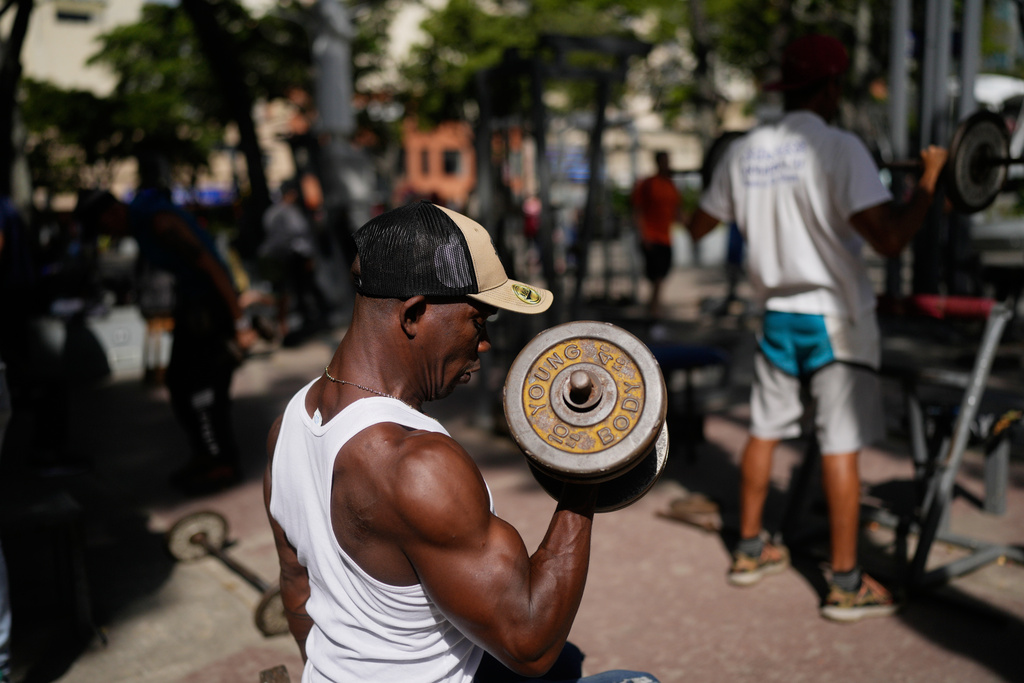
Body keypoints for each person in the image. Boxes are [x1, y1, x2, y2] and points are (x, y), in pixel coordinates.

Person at [264, 201, 659, 683]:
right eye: (478, 320)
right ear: (415, 314)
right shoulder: (416, 465)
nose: (485, 342)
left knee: (572, 659)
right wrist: (588, 466)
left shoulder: (288, 424)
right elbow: (530, 645)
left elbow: (297, 589)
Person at [686, 34, 948, 622]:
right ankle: (846, 582)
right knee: (840, 445)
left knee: (764, 430)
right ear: (830, 87)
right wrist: (930, 180)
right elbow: (890, 238)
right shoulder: (838, 146)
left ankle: (750, 551)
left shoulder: (745, 150)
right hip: (834, 317)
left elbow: (699, 224)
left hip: (776, 315)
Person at [75, 186, 257, 495]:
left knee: (208, 390)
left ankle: (223, 461)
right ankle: (205, 455)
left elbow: (212, 267)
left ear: (113, 213)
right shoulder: (143, 224)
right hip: (193, 307)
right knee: (179, 383)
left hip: (212, 309)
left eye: (104, 226)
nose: (106, 233)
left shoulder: (159, 223)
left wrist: (239, 322)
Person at [258, 178, 330, 341]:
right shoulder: (290, 212)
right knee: (297, 292)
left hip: (272, 259)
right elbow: (299, 236)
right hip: (292, 258)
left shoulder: (271, 212)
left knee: (280, 294)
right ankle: (302, 325)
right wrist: (308, 257)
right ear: (290, 194)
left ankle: (282, 329)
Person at [630, 151, 681, 319]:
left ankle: (653, 309)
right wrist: (643, 235)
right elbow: (637, 210)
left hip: (666, 238)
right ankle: (653, 311)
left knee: (661, 276)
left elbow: (676, 212)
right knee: (656, 277)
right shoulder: (648, 184)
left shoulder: (671, 185)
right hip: (651, 237)